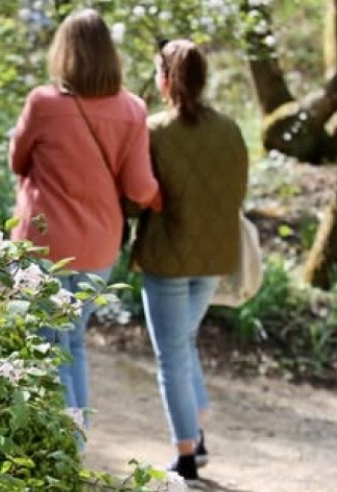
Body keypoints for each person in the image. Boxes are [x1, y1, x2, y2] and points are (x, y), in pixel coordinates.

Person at [8, 8, 161, 436]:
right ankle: (74, 442)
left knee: (48, 347)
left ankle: (67, 452)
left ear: (63, 53)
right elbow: (139, 187)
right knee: (72, 342)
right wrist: (164, 198)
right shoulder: (133, 109)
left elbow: (17, 161)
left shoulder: (43, 103)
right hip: (99, 249)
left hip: (43, 245)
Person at [132, 39, 249, 480]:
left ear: (166, 79)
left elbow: (136, 197)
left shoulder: (154, 131)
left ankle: (186, 456)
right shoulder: (231, 129)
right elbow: (237, 192)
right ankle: (196, 432)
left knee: (171, 355)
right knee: (184, 343)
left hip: (168, 257)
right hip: (214, 256)